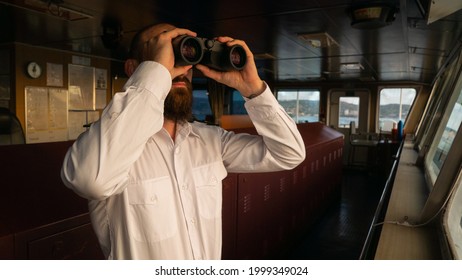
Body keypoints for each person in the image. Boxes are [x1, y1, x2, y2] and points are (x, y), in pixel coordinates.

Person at [61, 23, 305, 260]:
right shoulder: (110, 148)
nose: (179, 66)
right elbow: (89, 181)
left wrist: (253, 89)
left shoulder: (210, 140)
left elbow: (289, 153)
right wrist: (155, 76)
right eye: (163, 53)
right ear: (134, 69)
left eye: (182, 54)